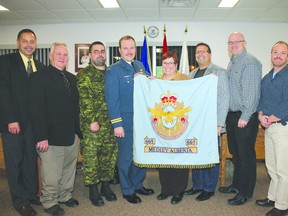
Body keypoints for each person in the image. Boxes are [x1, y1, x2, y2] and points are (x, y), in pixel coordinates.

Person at [29, 42, 82, 216]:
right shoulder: (38, 78)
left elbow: (75, 108)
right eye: (58, 54)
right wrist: (40, 136)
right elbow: (35, 109)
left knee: (68, 170)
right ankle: (49, 201)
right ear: (50, 56)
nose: (62, 57)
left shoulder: (72, 78)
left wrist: (78, 133)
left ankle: (65, 196)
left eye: (65, 54)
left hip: (71, 135)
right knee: (51, 173)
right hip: (49, 137)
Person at [0, 29, 45, 216]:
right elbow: (3, 92)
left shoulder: (40, 66)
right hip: (14, 124)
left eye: (32, 41)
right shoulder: (6, 62)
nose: (29, 45)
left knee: (30, 161)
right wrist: (11, 119)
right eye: (25, 41)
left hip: (33, 125)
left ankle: (31, 194)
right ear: (18, 42)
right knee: (15, 162)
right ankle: (20, 201)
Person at [105, 35, 154, 204]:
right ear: (119, 50)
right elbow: (112, 100)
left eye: (132, 48)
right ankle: (127, 190)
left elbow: (147, 87)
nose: (129, 51)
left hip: (142, 122)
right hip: (125, 122)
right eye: (125, 48)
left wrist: (152, 81)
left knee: (141, 155)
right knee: (125, 158)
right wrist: (117, 124)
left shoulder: (140, 66)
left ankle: (137, 184)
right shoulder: (114, 70)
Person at [218, 32, 262, 205]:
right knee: (236, 154)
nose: (234, 44)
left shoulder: (250, 62)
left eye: (237, 41)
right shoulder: (233, 62)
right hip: (233, 116)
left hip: (245, 117)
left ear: (245, 42)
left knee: (246, 156)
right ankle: (236, 185)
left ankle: (245, 192)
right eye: (231, 42)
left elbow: (252, 94)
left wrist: (245, 116)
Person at [185, 43, 229, 201]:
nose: (200, 54)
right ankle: (197, 185)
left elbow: (224, 99)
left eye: (203, 51)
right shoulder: (191, 74)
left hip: (212, 123)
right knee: (196, 154)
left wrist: (220, 124)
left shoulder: (219, 72)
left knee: (210, 156)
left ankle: (209, 188)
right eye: (197, 52)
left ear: (210, 54)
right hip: (195, 124)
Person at [76, 41, 118, 207]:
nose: (100, 54)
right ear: (90, 55)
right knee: (92, 158)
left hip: (111, 124)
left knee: (109, 156)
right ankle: (93, 189)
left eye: (102, 51)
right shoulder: (84, 75)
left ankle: (106, 187)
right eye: (96, 51)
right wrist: (92, 120)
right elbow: (84, 101)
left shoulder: (111, 73)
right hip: (93, 125)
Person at [256, 41, 288, 216]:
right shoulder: (267, 77)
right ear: (271, 54)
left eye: (283, 53)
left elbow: (286, 105)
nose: (278, 55)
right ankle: (272, 197)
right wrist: (261, 115)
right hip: (269, 127)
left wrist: (271, 118)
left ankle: (282, 206)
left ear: (287, 56)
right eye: (275, 52)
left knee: (283, 169)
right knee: (271, 166)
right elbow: (262, 101)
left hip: (283, 128)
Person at [156, 51, 190, 205]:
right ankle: (166, 189)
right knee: (163, 159)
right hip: (162, 126)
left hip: (180, 125)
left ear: (176, 65)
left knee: (179, 159)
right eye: (165, 63)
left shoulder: (185, 79)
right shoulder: (156, 81)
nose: (167, 66)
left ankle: (178, 191)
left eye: (171, 63)